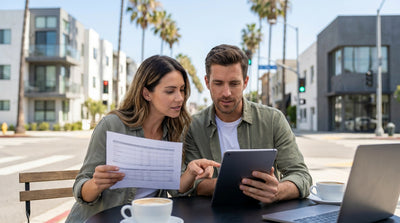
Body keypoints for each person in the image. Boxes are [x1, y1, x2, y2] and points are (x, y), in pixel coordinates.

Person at [66, 55, 220, 222]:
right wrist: (96, 184)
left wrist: (191, 171)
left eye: (181, 89)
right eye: (170, 91)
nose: (180, 98)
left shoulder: (175, 131)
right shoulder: (112, 126)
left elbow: (177, 188)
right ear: (147, 93)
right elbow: (80, 190)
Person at [183, 44, 312, 204]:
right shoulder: (192, 127)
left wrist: (277, 191)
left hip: (265, 214)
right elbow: (188, 184)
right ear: (207, 82)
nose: (226, 93)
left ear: (245, 82)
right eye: (218, 83)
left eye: (234, 84)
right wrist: (239, 186)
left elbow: (301, 175)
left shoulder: (273, 119)